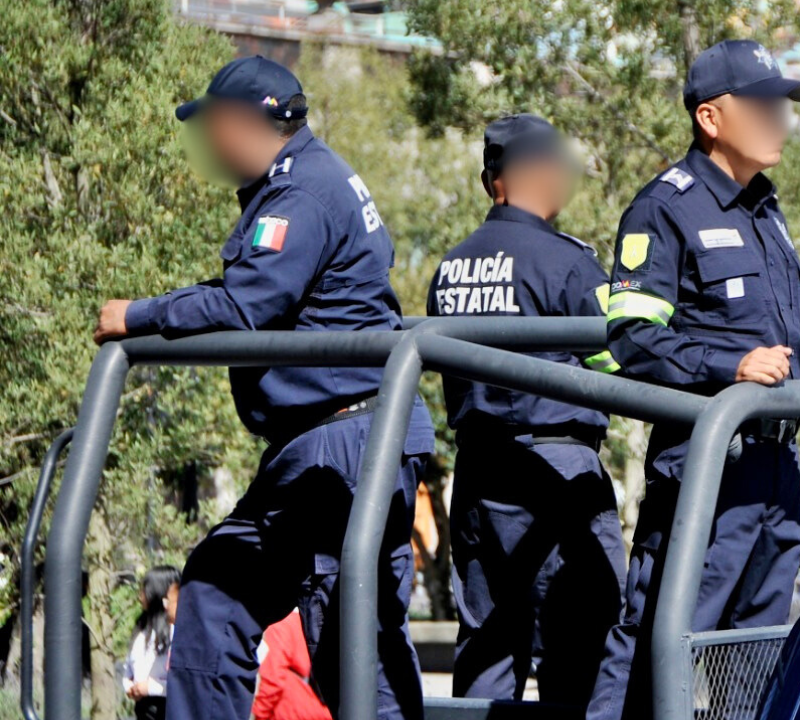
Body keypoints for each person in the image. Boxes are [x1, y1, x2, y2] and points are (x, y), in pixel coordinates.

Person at [93, 56, 433, 720]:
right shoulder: (301, 180)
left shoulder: (301, 191)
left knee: (343, 637)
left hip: (345, 440)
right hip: (330, 440)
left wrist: (138, 315)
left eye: (215, 125)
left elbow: (248, 303)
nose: (210, 144)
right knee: (241, 601)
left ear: (249, 124)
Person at [587, 40, 800, 720]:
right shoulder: (665, 207)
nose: (779, 120)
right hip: (705, 474)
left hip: (776, 468)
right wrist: (730, 368)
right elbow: (631, 337)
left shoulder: (766, 212)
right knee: (657, 640)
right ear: (711, 118)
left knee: (755, 655)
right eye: (764, 106)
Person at [427, 114, 626, 707]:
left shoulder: (451, 267)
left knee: (488, 647)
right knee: (587, 645)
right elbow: (622, 362)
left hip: (479, 478)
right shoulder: (567, 262)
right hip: (556, 474)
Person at [122, 566, 181, 720]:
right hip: (142, 708)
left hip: (165, 709)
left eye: (145, 590)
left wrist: (151, 688)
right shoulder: (141, 627)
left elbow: (182, 683)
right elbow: (129, 665)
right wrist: (129, 685)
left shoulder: (176, 630)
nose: (141, 596)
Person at [252, 610, 332, 720]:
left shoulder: (280, 625)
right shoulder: (307, 621)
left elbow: (273, 678)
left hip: (294, 711)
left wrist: (259, 714)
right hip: (322, 710)